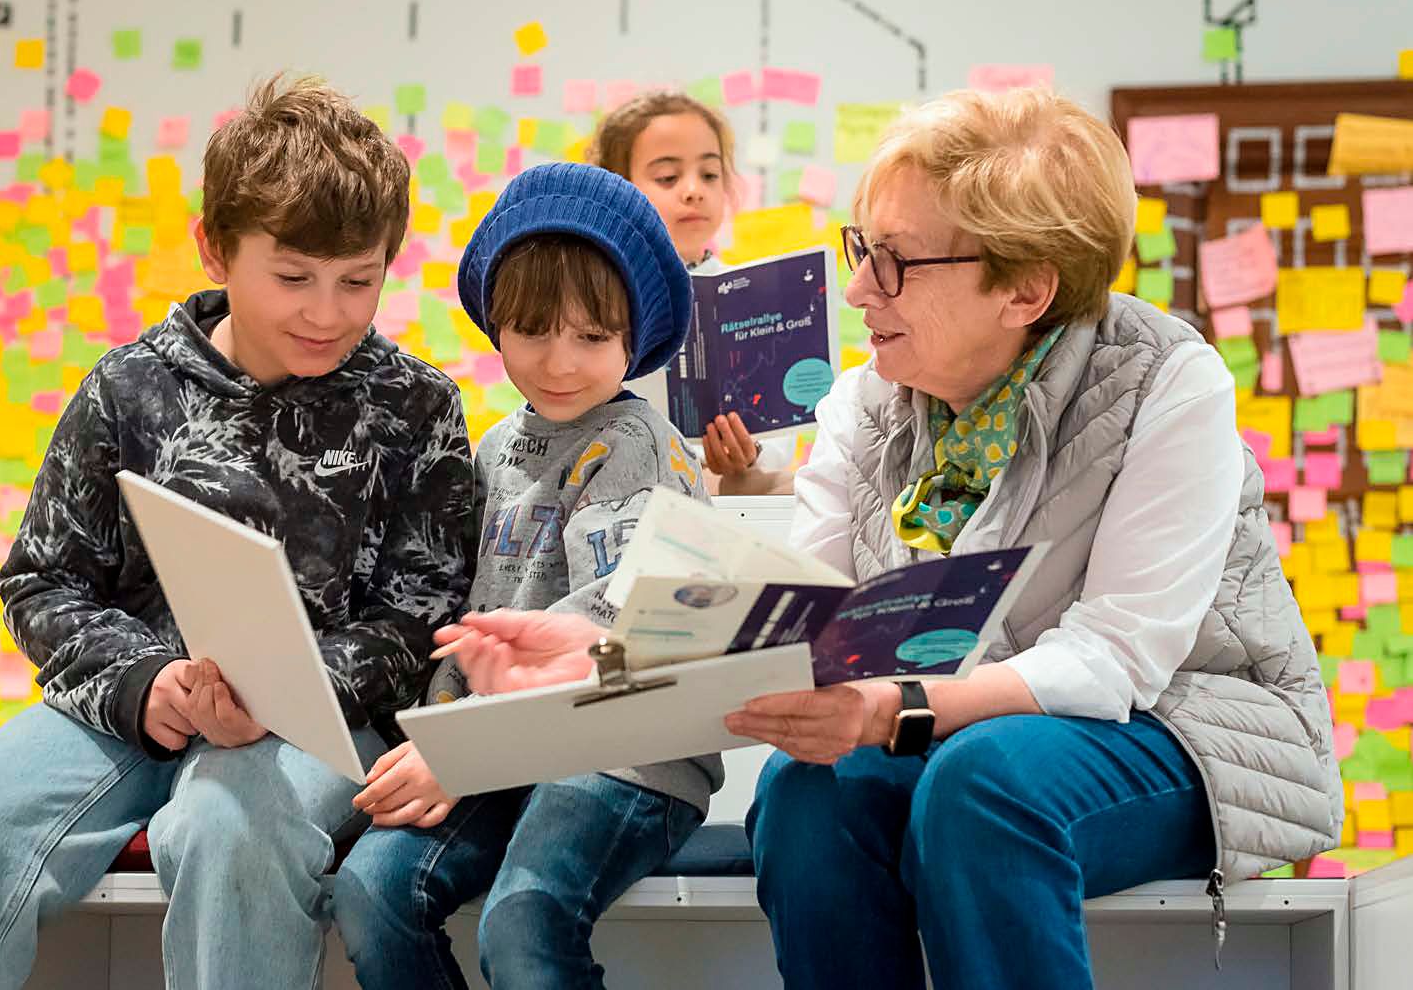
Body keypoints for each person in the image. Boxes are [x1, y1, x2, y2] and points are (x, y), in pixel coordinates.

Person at [436, 88, 1344, 990]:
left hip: (1184, 729)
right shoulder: (865, 403)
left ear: (1025, 288)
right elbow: (801, 622)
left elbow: (1116, 661)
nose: (861, 288)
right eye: (862, 249)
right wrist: (608, 649)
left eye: (897, 263)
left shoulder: (1167, 383)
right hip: (957, 733)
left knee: (983, 784)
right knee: (802, 796)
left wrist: (893, 706)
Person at [0, 76, 477, 990]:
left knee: (224, 834)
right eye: (293, 276)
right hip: (132, 709)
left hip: (319, 725)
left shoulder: (416, 408)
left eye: (359, 280)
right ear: (216, 249)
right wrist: (150, 685)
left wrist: (286, 691)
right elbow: (43, 582)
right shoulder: (128, 388)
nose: (327, 311)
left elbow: (425, 612)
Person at [330, 162, 715, 990]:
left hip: (627, 752)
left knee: (524, 916)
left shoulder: (638, 446)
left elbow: (602, 639)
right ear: (495, 323)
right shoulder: (495, 447)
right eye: (533, 329)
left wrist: (463, 745)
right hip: (498, 753)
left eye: (591, 336)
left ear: (633, 338)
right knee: (369, 889)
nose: (559, 361)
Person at [589, 92, 795, 495]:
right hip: (622, 479)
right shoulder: (597, 296)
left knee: (792, 486)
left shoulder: (750, 293)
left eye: (709, 175)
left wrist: (750, 452)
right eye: (667, 177)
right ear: (617, 189)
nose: (693, 190)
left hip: (722, 486)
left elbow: (778, 438)